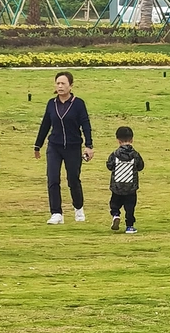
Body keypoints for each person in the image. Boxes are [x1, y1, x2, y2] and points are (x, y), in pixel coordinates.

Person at [34, 71, 93, 224]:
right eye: (58, 83)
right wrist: (37, 145)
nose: (60, 86)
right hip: (54, 146)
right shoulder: (51, 103)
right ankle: (56, 213)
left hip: (73, 147)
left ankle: (78, 208)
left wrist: (89, 145)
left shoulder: (78, 104)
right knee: (53, 178)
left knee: (73, 179)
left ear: (70, 86)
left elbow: (85, 124)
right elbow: (45, 124)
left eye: (63, 83)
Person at [106, 126, 145, 234]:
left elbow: (109, 166)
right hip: (131, 187)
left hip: (117, 186)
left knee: (114, 203)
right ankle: (129, 226)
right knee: (130, 207)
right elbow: (140, 166)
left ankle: (116, 215)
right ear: (132, 139)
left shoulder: (115, 154)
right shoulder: (135, 155)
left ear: (118, 140)